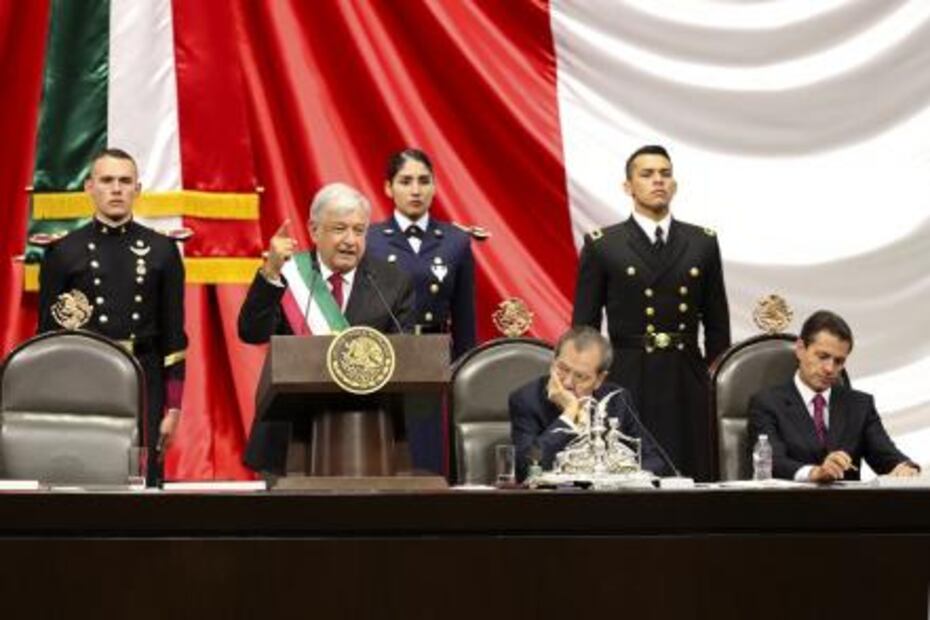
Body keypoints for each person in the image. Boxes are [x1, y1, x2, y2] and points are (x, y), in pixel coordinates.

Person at [572, 144, 730, 481]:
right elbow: (585, 328)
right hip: (629, 374)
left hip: (686, 374)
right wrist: (590, 385)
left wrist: (713, 379)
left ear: (675, 184)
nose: (658, 180)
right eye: (647, 174)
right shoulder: (604, 244)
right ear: (628, 186)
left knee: (692, 470)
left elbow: (717, 323)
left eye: (665, 174)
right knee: (631, 472)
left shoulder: (702, 242)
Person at [239, 182, 415, 474]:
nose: (350, 240)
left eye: (359, 230)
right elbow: (251, 332)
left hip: (366, 435)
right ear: (314, 230)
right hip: (288, 438)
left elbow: (404, 358)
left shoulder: (392, 282)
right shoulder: (289, 274)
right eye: (339, 229)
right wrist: (270, 272)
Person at [38, 148, 187, 485]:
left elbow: (174, 340)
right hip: (81, 381)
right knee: (81, 480)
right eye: (107, 180)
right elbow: (46, 342)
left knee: (142, 481)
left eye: (125, 181)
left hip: (143, 382)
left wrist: (173, 408)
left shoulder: (162, 251)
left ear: (138, 188)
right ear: (89, 187)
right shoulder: (62, 253)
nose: (116, 189)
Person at [366, 148, 478, 474]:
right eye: (405, 181)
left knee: (429, 451)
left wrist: (463, 369)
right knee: (386, 450)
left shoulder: (456, 241)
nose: (415, 190)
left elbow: (465, 316)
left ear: (435, 186)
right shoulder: (370, 239)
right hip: (384, 353)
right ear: (388, 188)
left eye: (423, 181)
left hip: (434, 356)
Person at [748, 310, 919, 482]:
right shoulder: (767, 403)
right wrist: (815, 473)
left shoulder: (860, 405)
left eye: (839, 361)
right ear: (800, 349)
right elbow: (772, 463)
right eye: (823, 357)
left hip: (847, 500)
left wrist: (905, 468)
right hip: (792, 498)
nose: (830, 369)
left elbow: (887, 456)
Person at [509, 326, 668, 482]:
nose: (567, 383)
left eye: (580, 376)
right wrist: (569, 415)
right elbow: (527, 468)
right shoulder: (527, 400)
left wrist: (617, 477)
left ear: (599, 379)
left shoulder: (616, 399)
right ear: (553, 363)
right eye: (562, 369)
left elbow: (655, 460)